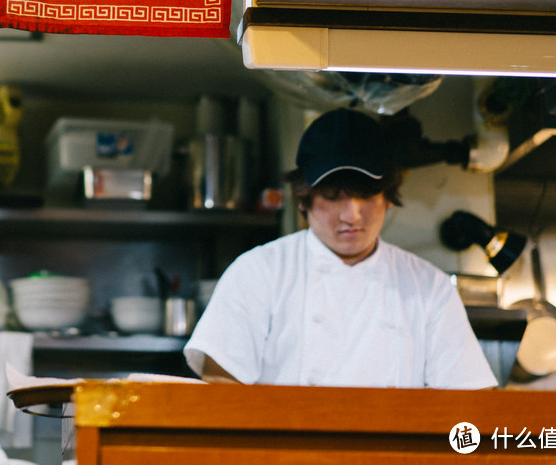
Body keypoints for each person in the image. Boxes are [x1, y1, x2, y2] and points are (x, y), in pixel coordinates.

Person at [184, 108, 497, 389]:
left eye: (367, 195)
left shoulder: (429, 288)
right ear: (304, 198)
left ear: (388, 195)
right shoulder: (259, 271)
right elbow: (220, 386)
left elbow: (468, 402)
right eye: (334, 196)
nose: (352, 215)